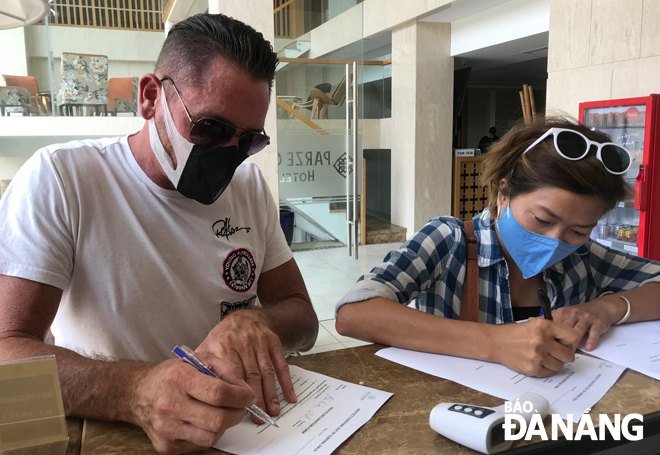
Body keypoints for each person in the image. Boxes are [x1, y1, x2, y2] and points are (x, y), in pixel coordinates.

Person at [0, 14, 318, 454]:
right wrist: (134, 391)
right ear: (151, 98)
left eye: (248, 141)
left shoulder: (248, 189)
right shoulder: (63, 179)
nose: (231, 156)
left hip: (236, 431)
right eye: (211, 129)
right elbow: (7, 351)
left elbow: (302, 317)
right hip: (114, 433)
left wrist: (254, 321)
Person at [336, 116, 660, 379]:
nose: (555, 240)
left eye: (578, 230)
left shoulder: (583, 257)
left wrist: (605, 309)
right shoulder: (450, 242)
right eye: (542, 219)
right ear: (504, 192)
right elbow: (354, 313)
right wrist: (495, 343)